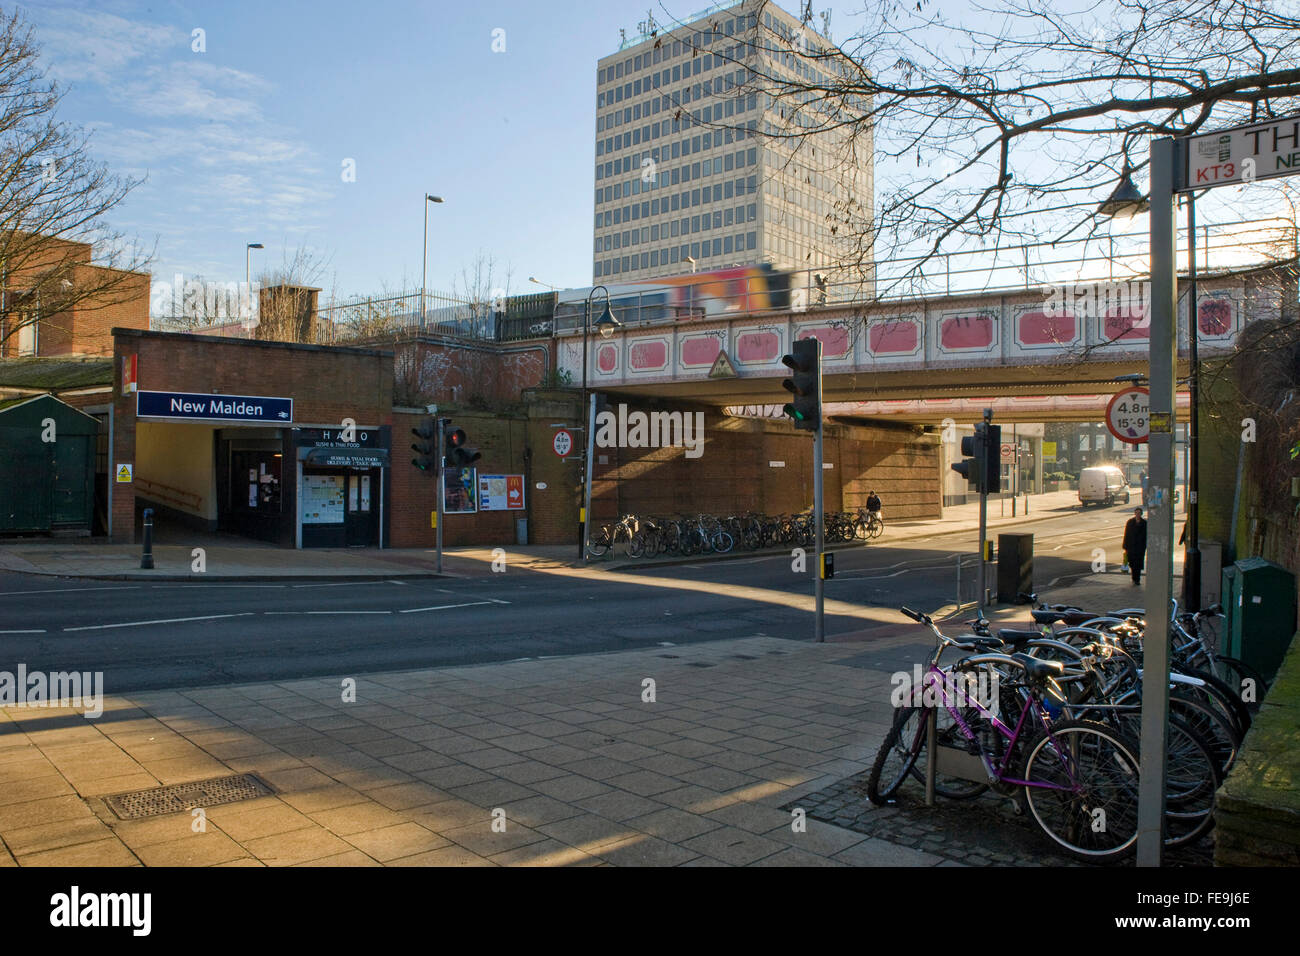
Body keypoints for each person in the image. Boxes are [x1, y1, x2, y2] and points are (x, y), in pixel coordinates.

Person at [1122, 507, 1148, 585]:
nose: (1137, 514)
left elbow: (1146, 535)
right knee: (1132, 563)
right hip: (1131, 547)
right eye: (1136, 513)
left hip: (1140, 547)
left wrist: (1145, 545)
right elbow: (1126, 534)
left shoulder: (1144, 523)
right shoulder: (1130, 522)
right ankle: (1134, 577)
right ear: (1134, 513)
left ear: (1141, 514)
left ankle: (1137, 579)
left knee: (1138, 564)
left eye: (1139, 513)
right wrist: (1125, 546)